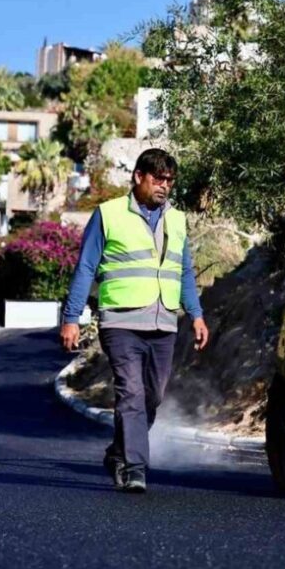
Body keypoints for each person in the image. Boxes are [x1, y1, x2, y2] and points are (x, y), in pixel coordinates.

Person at [60, 149, 209, 494]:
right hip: (121, 321)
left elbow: (184, 270)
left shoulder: (177, 219)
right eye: (158, 179)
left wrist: (197, 314)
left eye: (170, 181)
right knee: (131, 391)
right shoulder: (109, 214)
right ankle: (134, 467)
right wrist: (72, 317)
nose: (165, 187)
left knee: (152, 397)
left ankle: (117, 452)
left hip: (164, 322)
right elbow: (85, 267)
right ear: (139, 176)